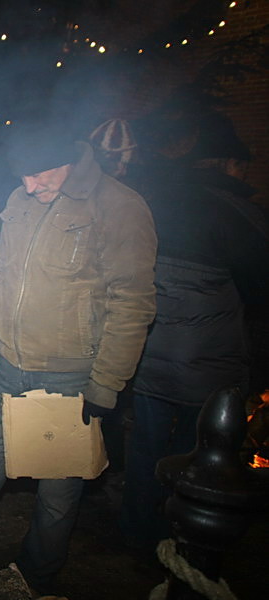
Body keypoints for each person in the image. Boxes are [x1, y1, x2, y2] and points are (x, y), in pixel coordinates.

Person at [0, 120, 157, 593]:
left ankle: (35, 579)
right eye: (20, 174)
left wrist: (107, 383)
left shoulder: (119, 207)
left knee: (56, 495)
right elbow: (1, 274)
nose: (29, 185)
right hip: (10, 371)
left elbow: (132, 302)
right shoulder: (19, 200)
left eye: (40, 174)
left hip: (70, 381)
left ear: (71, 156)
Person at [120, 112, 269, 552]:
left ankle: (134, 530)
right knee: (199, 454)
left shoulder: (152, 202)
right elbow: (261, 299)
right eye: (240, 164)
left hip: (149, 359)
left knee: (146, 448)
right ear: (226, 163)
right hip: (210, 369)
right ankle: (179, 537)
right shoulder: (243, 216)